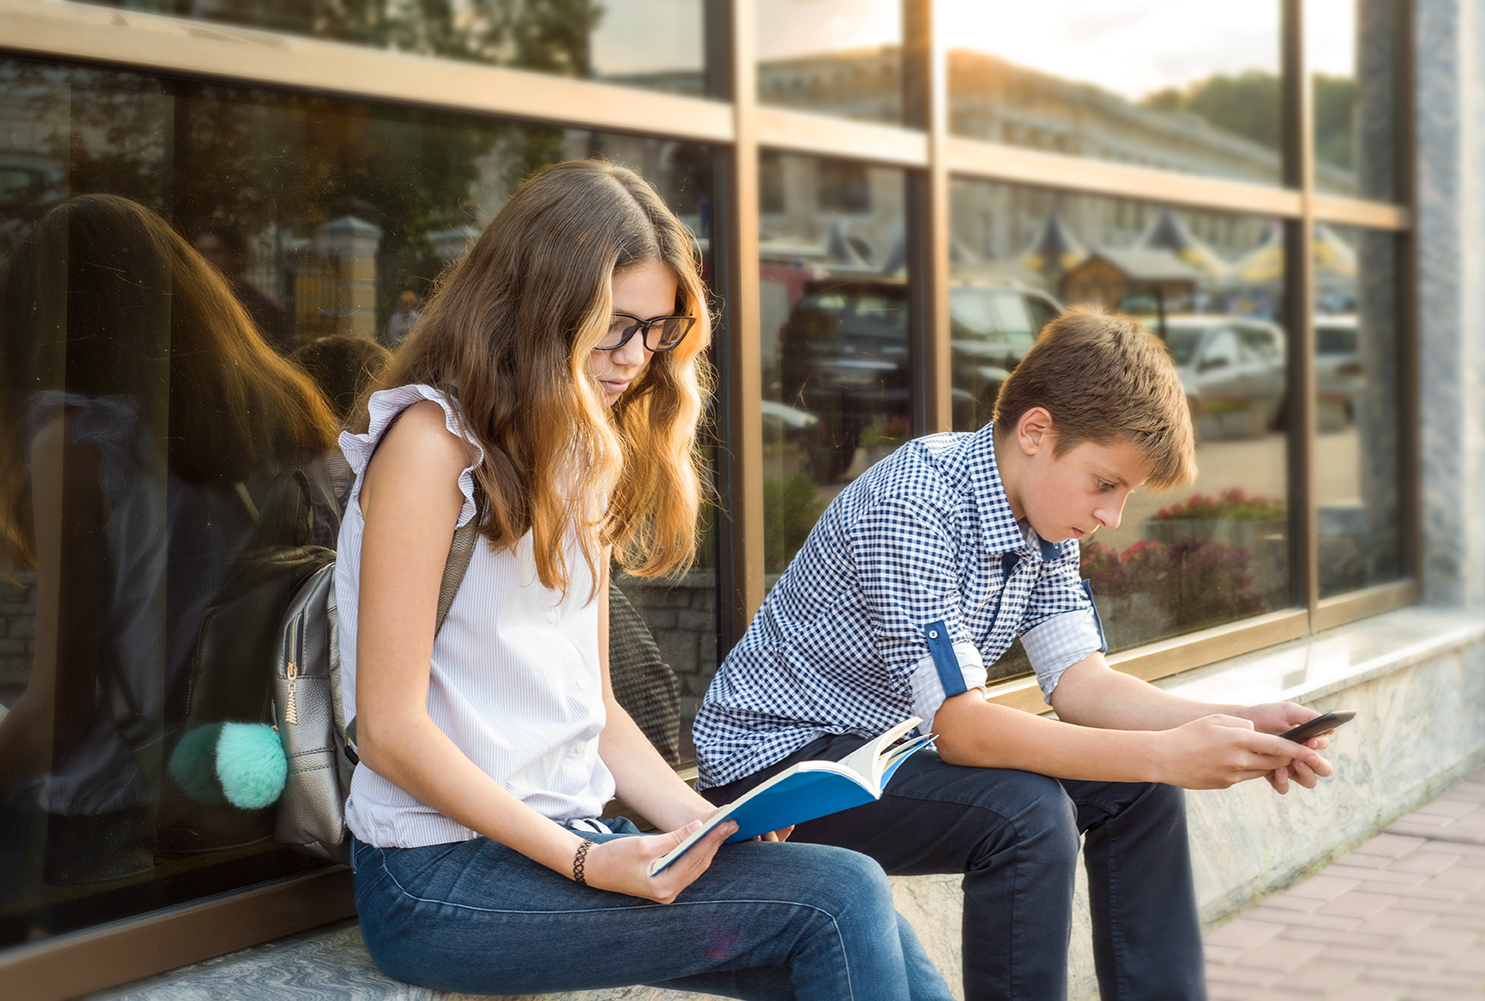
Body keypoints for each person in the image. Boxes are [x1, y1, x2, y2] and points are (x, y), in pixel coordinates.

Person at [337, 159, 953, 1000]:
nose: (636, 359)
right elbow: (389, 731)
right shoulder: (430, 444)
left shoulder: (578, 453)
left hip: (559, 840)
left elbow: (598, 713)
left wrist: (701, 820)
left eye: (657, 329)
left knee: (860, 914)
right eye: (612, 326)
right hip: (436, 878)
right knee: (840, 895)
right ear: (533, 306)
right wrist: (588, 860)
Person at [693, 305, 1337, 1001]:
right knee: (1025, 812)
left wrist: (1237, 720)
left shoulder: (1043, 518)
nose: (1110, 517)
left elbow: (1082, 684)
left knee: (1140, 790)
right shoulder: (914, 504)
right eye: (1105, 483)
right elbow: (963, 728)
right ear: (1036, 431)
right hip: (777, 771)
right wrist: (1166, 750)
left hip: (879, 750)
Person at [0, 195, 338, 891]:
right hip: (253, 787)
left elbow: (59, 713)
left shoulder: (78, 442)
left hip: (106, 813)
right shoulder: (277, 418)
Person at [194, 223, 296, 355]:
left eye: (215, 252)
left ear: (237, 257)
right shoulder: (194, 299)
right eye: (200, 252)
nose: (204, 259)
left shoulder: (261, 306)